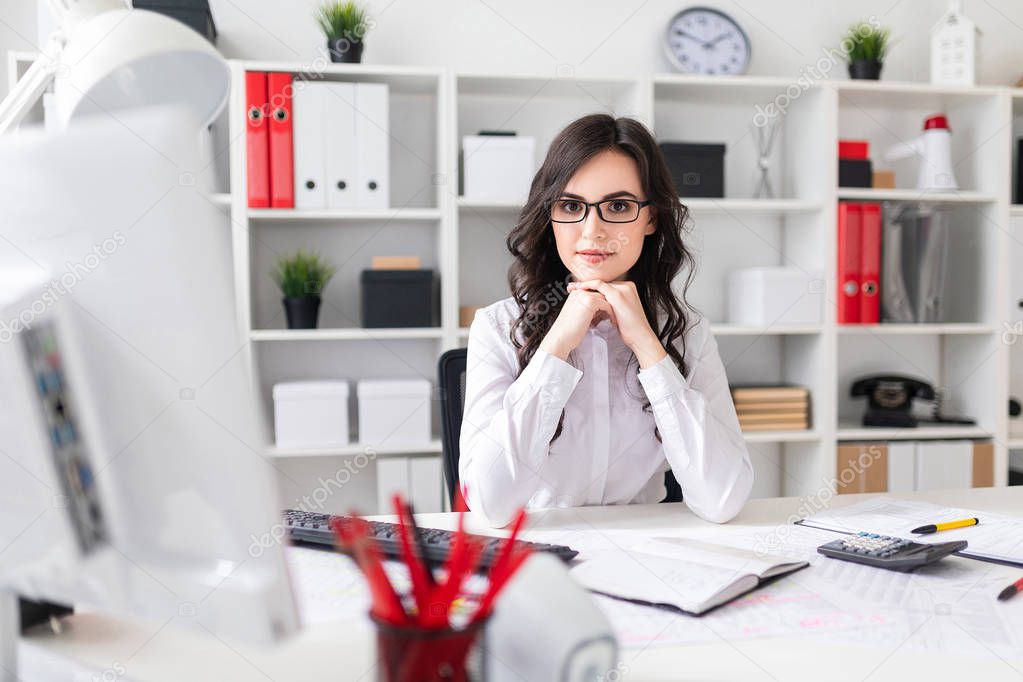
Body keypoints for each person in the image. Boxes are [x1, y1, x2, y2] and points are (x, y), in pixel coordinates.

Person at [459, 113, 753, 528]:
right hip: (537, 557)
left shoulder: (686, 333)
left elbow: (723, 498)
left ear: (651, 218)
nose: (592, 231)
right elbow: (490, 505)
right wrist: (556, 347)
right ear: (550, 216)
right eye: (571, 206)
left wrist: (650, 350)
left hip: (646, 557)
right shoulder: (498, 326)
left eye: (618, 206)